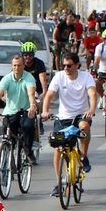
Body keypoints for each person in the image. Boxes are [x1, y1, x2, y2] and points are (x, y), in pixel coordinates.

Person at [40, 52, 98, 190]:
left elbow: (92, 94)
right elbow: (49, 95)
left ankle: (83, 156)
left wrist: (91, 109)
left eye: (69, 65)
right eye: (64, 65)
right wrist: (45, 111)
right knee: (58, 148)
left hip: (80, 116)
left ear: (77, 65)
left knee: (84, 126)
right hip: (63, 118)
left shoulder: (86, 77)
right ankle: (59, 183)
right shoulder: (59, 77)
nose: (66, 68)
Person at [0, 54, 39, 162]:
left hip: (25, 111)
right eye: (14, 65)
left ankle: (28, 151)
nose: (16, 68)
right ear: (11, 66)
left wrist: (32, 106)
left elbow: (31, 94)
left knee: (28, 126)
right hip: (10, 112)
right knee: (6, 128)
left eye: (19, 65)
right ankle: (9, 150)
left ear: (23, 66)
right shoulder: (7, 78)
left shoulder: (29, 78)